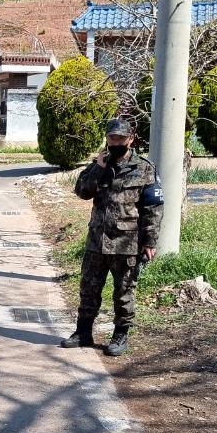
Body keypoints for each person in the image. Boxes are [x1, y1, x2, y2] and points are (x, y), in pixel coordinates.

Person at [61, 118, 164, 356]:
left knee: (124, 292)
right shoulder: (99, 164)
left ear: (130, 139)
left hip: (126, 244)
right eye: (111, 138)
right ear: (106, 139)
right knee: (88, 289)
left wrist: (149, 241)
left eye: (120, 138)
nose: (115, 142)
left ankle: (120, 336)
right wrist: (99, 168)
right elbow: (82, 192)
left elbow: (153, 208)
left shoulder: (144, 168)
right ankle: (83, 332)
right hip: (97, 241)